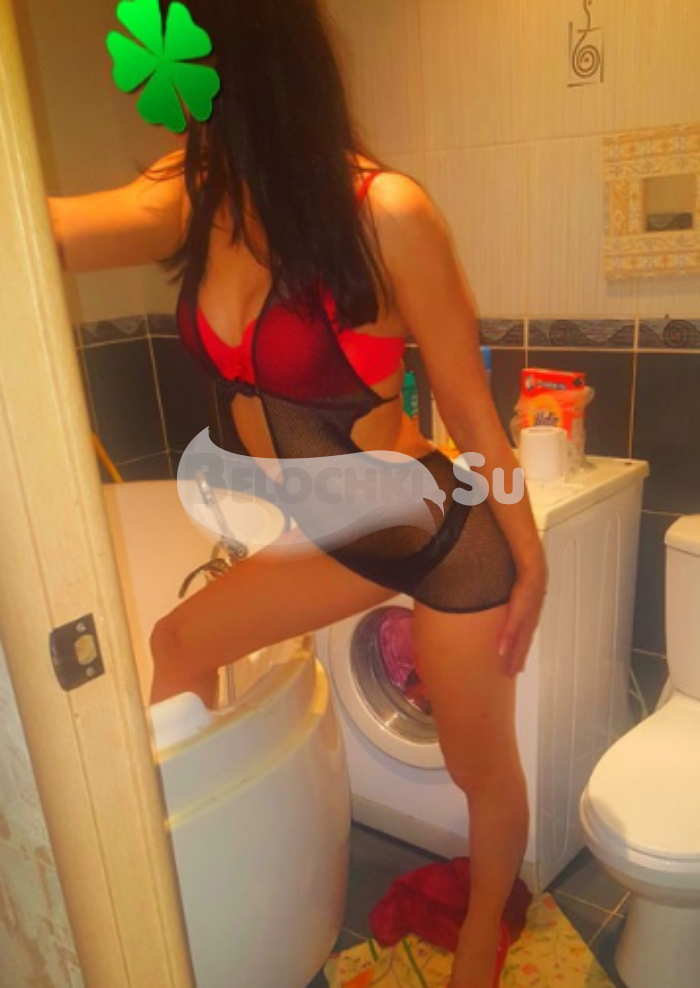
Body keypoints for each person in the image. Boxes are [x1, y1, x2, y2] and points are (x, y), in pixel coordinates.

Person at [49, 3, 547, 986]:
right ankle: (197, 886)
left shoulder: (383, 212)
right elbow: (43, 231)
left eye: (185, 70)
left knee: (475, 768)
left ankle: (480, 937)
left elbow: (470, 411)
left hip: (433, 532)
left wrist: (527, 559)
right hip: (332, 534)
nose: (171, 101)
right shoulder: (189, 194)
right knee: (179, 642)